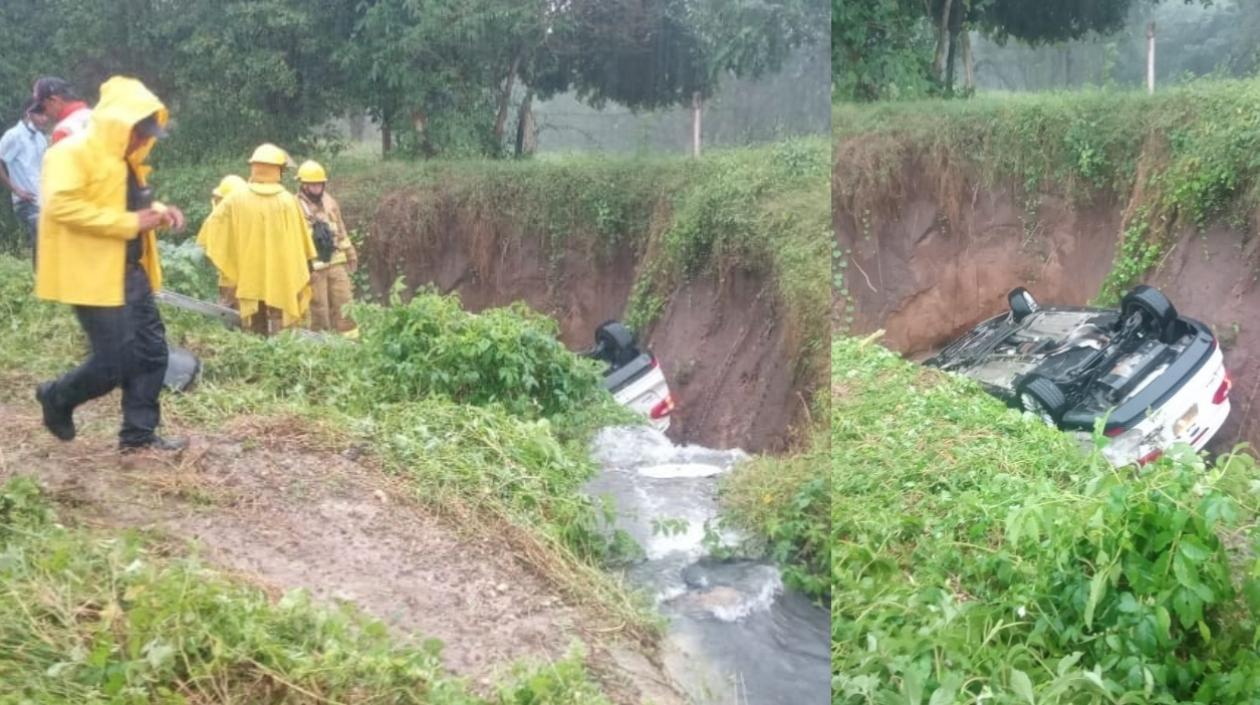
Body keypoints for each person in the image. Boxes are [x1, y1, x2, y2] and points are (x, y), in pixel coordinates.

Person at [33, 76, 188, 452]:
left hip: (130, 273)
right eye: (137, 132)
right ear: (119, 125)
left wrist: (157, 211)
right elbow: (63, 206)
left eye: (146, 134)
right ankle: (57, 397)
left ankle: (138, 438)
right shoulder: (69, 153)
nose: (141, 140)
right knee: (113, 363)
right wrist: (130, 223)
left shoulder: (126, 164)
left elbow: (125, 203)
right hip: (93, 277)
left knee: (152, 353)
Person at [196, 144, 315, 336]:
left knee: (254, 318)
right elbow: (300, 240)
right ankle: (280, 352)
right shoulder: (287, 200)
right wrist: (307, 265)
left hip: (249, 271)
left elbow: (212, 226)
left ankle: (256, 345)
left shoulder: (236, 198)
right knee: (280, 311)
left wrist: (230, 255)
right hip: (281, 272)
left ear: (254, 167)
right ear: (278, 170)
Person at [296, 160, 359, 338]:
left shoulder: (330, 202)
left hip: (336, 264)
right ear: (304, 185)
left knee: (344, 302)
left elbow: (341, 230)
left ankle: (350, 341)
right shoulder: (295, 207)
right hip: (314, 269)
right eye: (313, 184)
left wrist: (350, 253)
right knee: (318, 308)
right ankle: (320, 343)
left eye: (319, 184)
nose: (317, 188)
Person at [0, 99, 49, 261]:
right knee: (41, 230)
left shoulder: (41, 138)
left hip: (42, 199)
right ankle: (40, 278)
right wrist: (16, 189)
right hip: (25, 201)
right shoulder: (14, 135)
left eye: (45, 114)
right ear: (29, 113)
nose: (45, 118)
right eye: (40, 114)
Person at [200, 174, 248, 308]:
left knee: (232, 311)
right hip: (234, 278)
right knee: (232, 311)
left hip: (235, 278)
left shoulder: (220, 219)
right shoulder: (221, 220)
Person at [32, 77, 91, 145]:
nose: (45, 114)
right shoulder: (95, 115)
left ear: (54, 101)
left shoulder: (62, 131)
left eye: (43, 107)